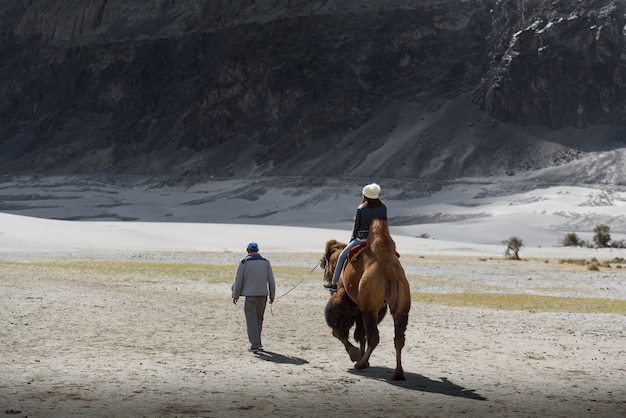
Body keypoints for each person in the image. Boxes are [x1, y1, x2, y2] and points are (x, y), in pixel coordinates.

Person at [324, 183, 387, 291]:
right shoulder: (383, 208)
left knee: (342, 256)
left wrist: (352, 241)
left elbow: (357, 228)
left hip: (361, 240)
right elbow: (385, 225)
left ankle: (334, 283)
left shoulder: (361, 208)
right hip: (377, 241)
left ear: (365, 196)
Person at [232, 242, 276, 353]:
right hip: (263, 295)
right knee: (259, 319)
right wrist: (272, 295)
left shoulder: (244, 262)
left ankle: (255, 344)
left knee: (251, 319)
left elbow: (238, 281)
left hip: (250, 295)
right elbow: (271, 280)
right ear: (258, 250)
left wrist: (235, 295)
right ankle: (258, 342)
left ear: (247, 250)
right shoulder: (266, 262)